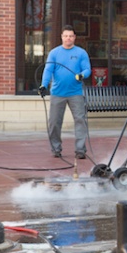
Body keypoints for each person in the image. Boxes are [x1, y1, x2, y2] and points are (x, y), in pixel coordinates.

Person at [39, 25, 91, 159]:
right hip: (57, 93)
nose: (68, 38)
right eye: (66, 36)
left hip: (76, 93)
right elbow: (48, 70)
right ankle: (56, 148)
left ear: (74, 38)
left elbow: (87, 69)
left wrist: (82, 75)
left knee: (80, 120)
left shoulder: (81, 53)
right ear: (62, 37)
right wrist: (44, 85)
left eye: (71, 36)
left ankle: (80, 150)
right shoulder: (54, 53)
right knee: (54, 122)